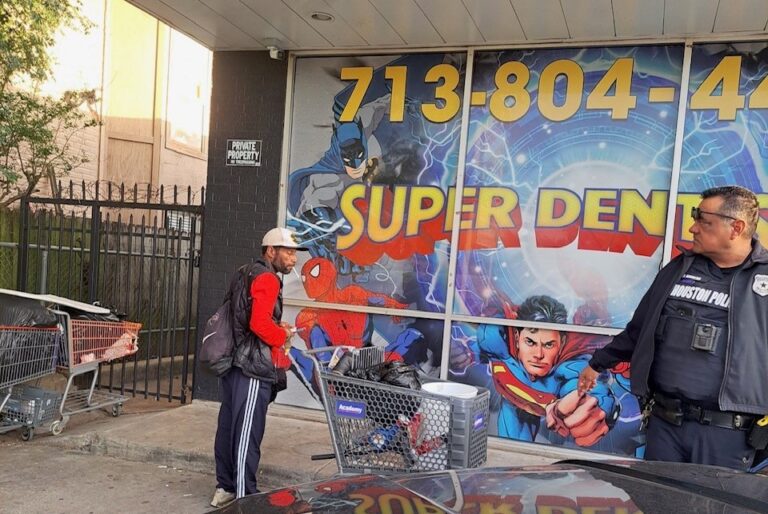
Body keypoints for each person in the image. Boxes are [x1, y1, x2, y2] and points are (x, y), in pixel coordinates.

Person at [579, 185, 768, 470]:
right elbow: (639, 330)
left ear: (736, 228)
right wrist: (598, 363)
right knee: (658, 495)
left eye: (704, 221)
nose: (693, 228)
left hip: (728, 436)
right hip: (665, 426)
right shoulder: (679, 269)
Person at [211, 227, 307, 507]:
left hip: (234, 362)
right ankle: (246, 497)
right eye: (288, 252)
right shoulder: (268, 279)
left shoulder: (244, 272)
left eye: (295, 253)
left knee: (228, 427)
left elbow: (242, 315)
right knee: (247, 433)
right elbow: (258, 323)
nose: (293, 259)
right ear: (270, 251)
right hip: (252, 366)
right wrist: (282, 335)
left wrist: (276, 326)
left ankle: (225, 488)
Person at [455, 295, 616, 446]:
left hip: (529, 409)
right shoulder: (494, 340)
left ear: (562, 343)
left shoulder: (567, 368)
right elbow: (483, 350)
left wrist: (602, 406)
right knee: (511, 450)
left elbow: (590, 387)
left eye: (548, 345)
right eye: (530, 342)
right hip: (512, 407)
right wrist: (468, 353)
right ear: (517, 338)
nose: (538, 355)